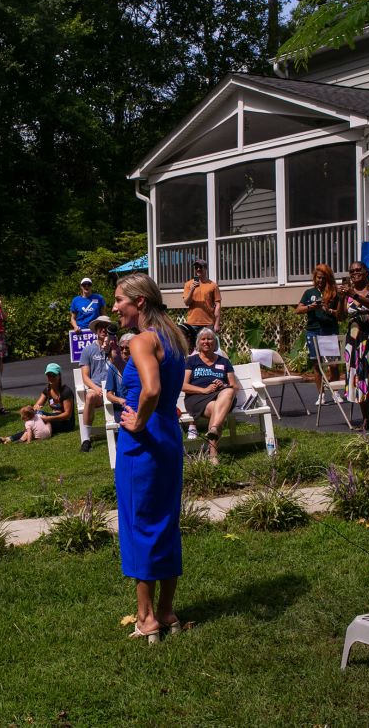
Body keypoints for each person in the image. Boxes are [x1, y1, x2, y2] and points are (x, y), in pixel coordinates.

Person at [112, 272, 188, 644]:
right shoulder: (174, 337)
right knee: (165, 521)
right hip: (170, 437)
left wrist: (138, 422)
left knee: (139, 522)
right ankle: (167, 611)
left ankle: (146, 619)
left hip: (143, 440)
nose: (114, 308)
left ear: (139, 302)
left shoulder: (143, 340)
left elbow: (152, 389)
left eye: (119, 301)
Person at [337, 262, 369, 431]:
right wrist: (340, 298)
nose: (355, 273)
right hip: (355, 341)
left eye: (358, 270)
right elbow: (340, 316)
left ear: (366, 271)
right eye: (351, 271)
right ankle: (366, 419)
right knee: (358, 377)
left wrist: (355, 295)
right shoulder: (347, 294)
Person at [182, 328, 238, 464]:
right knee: (218, 411)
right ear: (198, 343)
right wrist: (204, 390)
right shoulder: (191, 360)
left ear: (215, 342)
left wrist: (223, 386)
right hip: (197, 398)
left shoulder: (224, 362)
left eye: (210, 338)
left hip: (221, 397)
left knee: (229, 392)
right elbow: (183, 385)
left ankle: (213, 431)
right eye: (203, 339)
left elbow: (234, 386)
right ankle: (213, 455)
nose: (206, 341)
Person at [296, 263, 342, 403]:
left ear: (328, 278)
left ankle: (335, 392)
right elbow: (298, 310)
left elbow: (341, 315)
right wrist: (311, 307)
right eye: (318, 278)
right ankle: (321, 395)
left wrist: (329, 310)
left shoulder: (334, 292)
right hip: (313, 330)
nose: (320, 281)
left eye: (323, 278)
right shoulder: (309, 293)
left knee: (334, 363)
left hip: (329, 330)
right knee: (317, 364)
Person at [78, 315, 114, 452]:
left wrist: (110, 349)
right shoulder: (88, 350)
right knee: (90, 396)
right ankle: (86, 440)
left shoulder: (117, 348)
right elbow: (85, 378)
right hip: (97, 390)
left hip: (114, 389)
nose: (103, 329)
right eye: (100, 327)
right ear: (96, 330)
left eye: (107, 327)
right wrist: (97, 388)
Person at [180, 258, 222, 345]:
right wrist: (192, 289)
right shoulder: (188, 284)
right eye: (196, 267)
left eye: (200, 267)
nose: (198, 269)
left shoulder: (213, 285)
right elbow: (186, 303)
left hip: (208, 323)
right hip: (192, 323)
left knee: (208, 347)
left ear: (205, 268)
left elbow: (218, 304)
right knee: (192, 348)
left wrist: (217, 323)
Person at [105, 332, 134, 418]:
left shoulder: (139, 366)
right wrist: (119, 400)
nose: (124, 351)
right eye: (121, 348)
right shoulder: (113, 367)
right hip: (121, 409)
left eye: (127, 348)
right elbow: (109, 395)